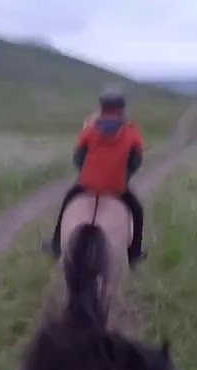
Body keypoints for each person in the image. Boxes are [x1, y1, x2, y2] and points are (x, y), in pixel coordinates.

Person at [45, 88, 147, 265]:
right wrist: (125, 176)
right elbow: (136, 161)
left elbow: (78, 158)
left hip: (87, 184)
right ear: (122, 108)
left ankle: (56, 246)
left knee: (67, 201)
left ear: (101, 107)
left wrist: (87, 172)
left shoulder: (89, 129)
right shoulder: (131, 132)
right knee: (137, 211)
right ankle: (134, 254)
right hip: (117, 186)